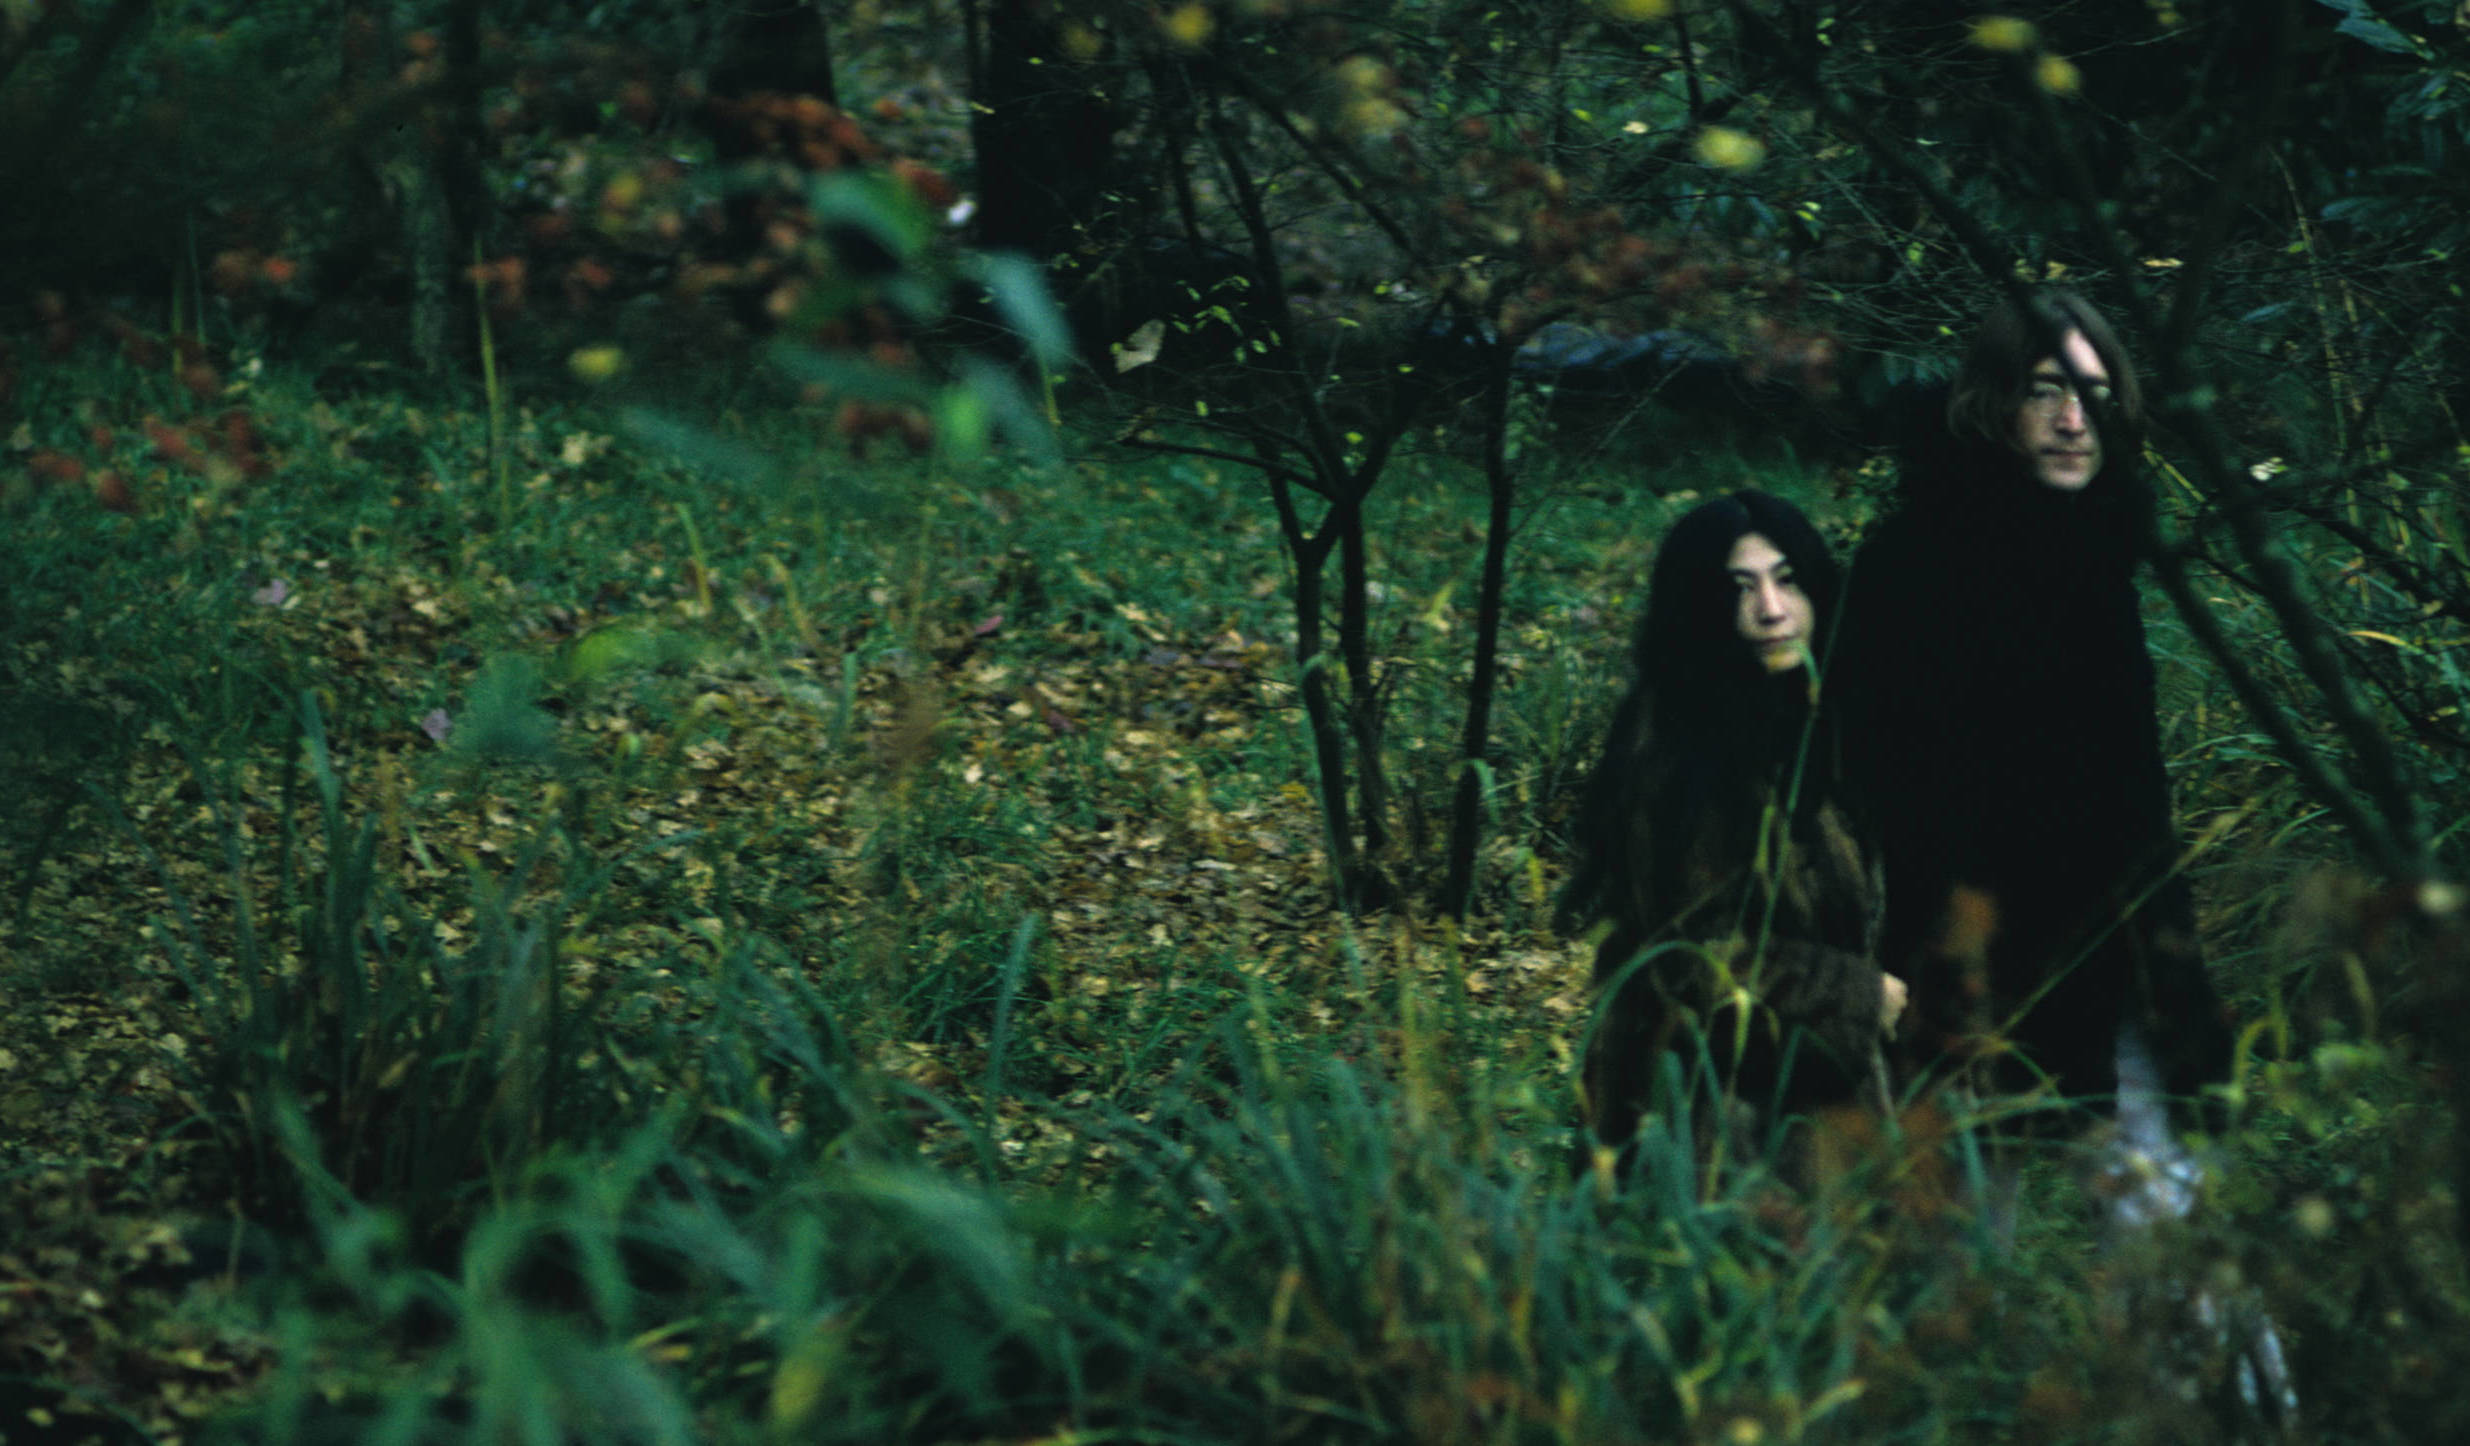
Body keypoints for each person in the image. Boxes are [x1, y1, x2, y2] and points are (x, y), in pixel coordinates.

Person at [1837, 287, 2232, 1119]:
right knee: (1971, 1212)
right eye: (2045, 390)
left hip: (2106, 944)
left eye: (2092, 393)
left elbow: (2134, 794)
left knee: (2156, 1203)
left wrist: (2171, 968)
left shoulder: (2101, 556)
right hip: (1962, 954)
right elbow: (1880, 785)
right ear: (1997, 402)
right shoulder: (1911, 566)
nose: (2072, 419)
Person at [1565, 490, 1907, 1164]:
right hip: (1706, 1118)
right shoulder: (1674, 748)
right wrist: (1857, 994)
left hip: (1812, 1095)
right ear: (1700, 607)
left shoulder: (1812, 719)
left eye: (1787, 581)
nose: (1771, 611)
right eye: (1740, 588)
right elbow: (1689, 958)